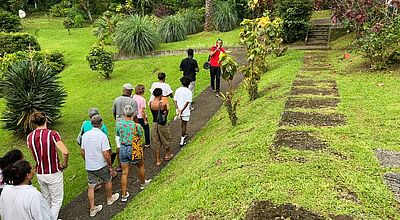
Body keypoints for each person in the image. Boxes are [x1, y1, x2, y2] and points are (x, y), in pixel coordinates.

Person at [27, 111, 69, 220]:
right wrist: (64, 164)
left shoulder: (30, 137)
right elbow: (65, 152)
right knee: (56, 201)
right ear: (46, 120)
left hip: (40, 173)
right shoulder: (53, 134)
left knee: (46, 199)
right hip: (54, 172)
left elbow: (33, 154)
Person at [81, 115, 119, 217]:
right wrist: (110, 165)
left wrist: (87, 160)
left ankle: (92, 208)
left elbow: (82, 151)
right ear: (101, 123)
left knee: (91, 186)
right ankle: (110, 198)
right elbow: (106, 154)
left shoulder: (85, 135)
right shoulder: (102, 136)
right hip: (101, 165)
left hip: (89, 166)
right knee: (108, 180)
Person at [116, 105, 152, 202]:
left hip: (123, 149)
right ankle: (142, 184)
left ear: (124, 113)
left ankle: (123, 195)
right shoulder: (137, 126)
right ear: (133, 114)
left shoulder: (119, 124)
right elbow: (140, 136)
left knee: (124, 172)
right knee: (141, 165)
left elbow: (118, 134)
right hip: (133, 148)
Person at [77, 108, 117, 181]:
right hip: (99, 146)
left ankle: (95, 181)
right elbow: (106, 139)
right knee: (104, 159)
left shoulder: (85, 124)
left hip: (88, 147)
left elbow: (80, 136)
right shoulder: (103, 126)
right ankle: (111, 172)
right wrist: (110, 150)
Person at [112, 83, 138, 172]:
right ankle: (132, 159)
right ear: (130, 91)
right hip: (129, 126)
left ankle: (120, 164)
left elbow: (114, 112)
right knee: (130, 143)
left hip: (119, 125)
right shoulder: (132, 102)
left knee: (119, 145)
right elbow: (135, 116)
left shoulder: (116, 100)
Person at [150, 88, 173, 166]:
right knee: (166, 138)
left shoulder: (151, 104)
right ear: (160, 95)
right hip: (162, 124)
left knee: (156, 141)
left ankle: (158, 159)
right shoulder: (162, 104)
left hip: (154, 123)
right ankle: (167, 154)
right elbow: (165, 113)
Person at [174, 77, 193, 147]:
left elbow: (175, 100)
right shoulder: (189, 92)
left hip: (179, 110)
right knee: (184, 124)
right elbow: (187, 102)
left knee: (182, 123)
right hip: (185, 111)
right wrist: (182, 110)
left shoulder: (178, 90)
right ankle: (182, 140)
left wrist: (178, 109)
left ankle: (183, 134)